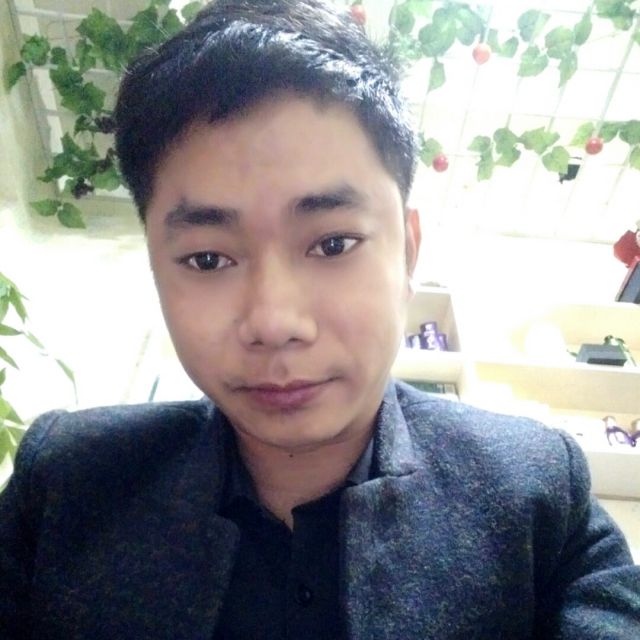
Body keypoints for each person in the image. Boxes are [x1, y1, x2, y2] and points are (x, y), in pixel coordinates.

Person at [1, 0, 639, 638]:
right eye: (207, 258)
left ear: (408, 251)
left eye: (333, 244)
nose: (274, 321)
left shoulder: (536, 495)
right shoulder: (64, 486)